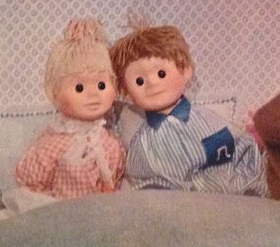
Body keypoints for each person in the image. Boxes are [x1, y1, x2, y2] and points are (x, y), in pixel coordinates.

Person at [110, 23, 267, 195]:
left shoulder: (209, 119)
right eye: (140, 81)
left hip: (244, 195)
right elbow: (153, 191)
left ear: (185, 70)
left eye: (161, 74)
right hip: (189, 206)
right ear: (127, 92)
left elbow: (242, 147)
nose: (153, 83)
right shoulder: (144, 146)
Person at [16, 19, 125, 199]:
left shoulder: (111, 144)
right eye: (79, 88)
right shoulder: (53, 145)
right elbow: (31, 180)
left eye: (101, 85)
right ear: (55, 91)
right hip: (61, 211)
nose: (93, 94)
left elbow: (116, 179)